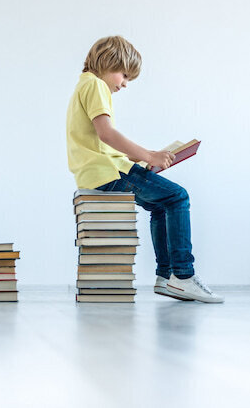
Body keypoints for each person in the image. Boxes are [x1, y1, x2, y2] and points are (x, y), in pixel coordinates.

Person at [66, 35, 224, 303]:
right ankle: (183, 276)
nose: (125, 84)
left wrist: (140, 161)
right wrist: (148, 155)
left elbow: (99, 142)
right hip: (109, 172)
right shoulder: (95, 85)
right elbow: (107, 134)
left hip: (97, 171)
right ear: (108, 62)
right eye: (124, 75)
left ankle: (165, 277)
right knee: (178, 196)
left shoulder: (83, 86)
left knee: (161, 205)